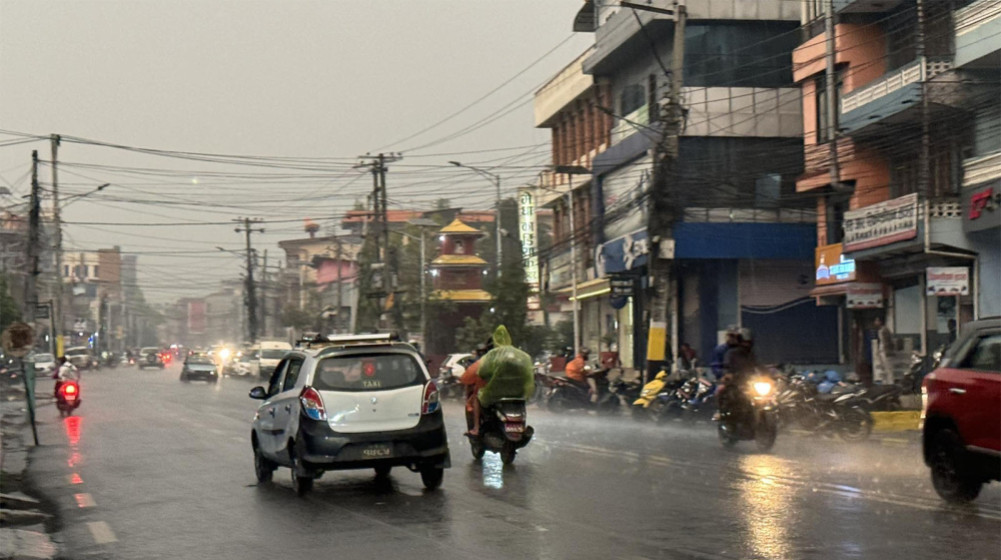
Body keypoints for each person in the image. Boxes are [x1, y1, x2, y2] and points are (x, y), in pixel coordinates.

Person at [464, 326, 534, 436]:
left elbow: (482, 372)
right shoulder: (520, 355)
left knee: (477, 398)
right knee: (521, 406)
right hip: (518, 392)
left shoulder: (493, 355)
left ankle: (476, 429)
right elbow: (529, 373)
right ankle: (522, 427)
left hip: (495, 393)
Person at [716, 328, 758, 417]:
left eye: (748, 342)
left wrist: (771, 374)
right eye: (744, 342)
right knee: (721, 391)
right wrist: (728, 374)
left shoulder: (751, 354)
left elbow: (758, 365)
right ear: (739, 341)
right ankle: (721, 412)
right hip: (735, 382)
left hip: (749, 382)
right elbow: (727, 365)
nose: (746, 344)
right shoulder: (731, 353)